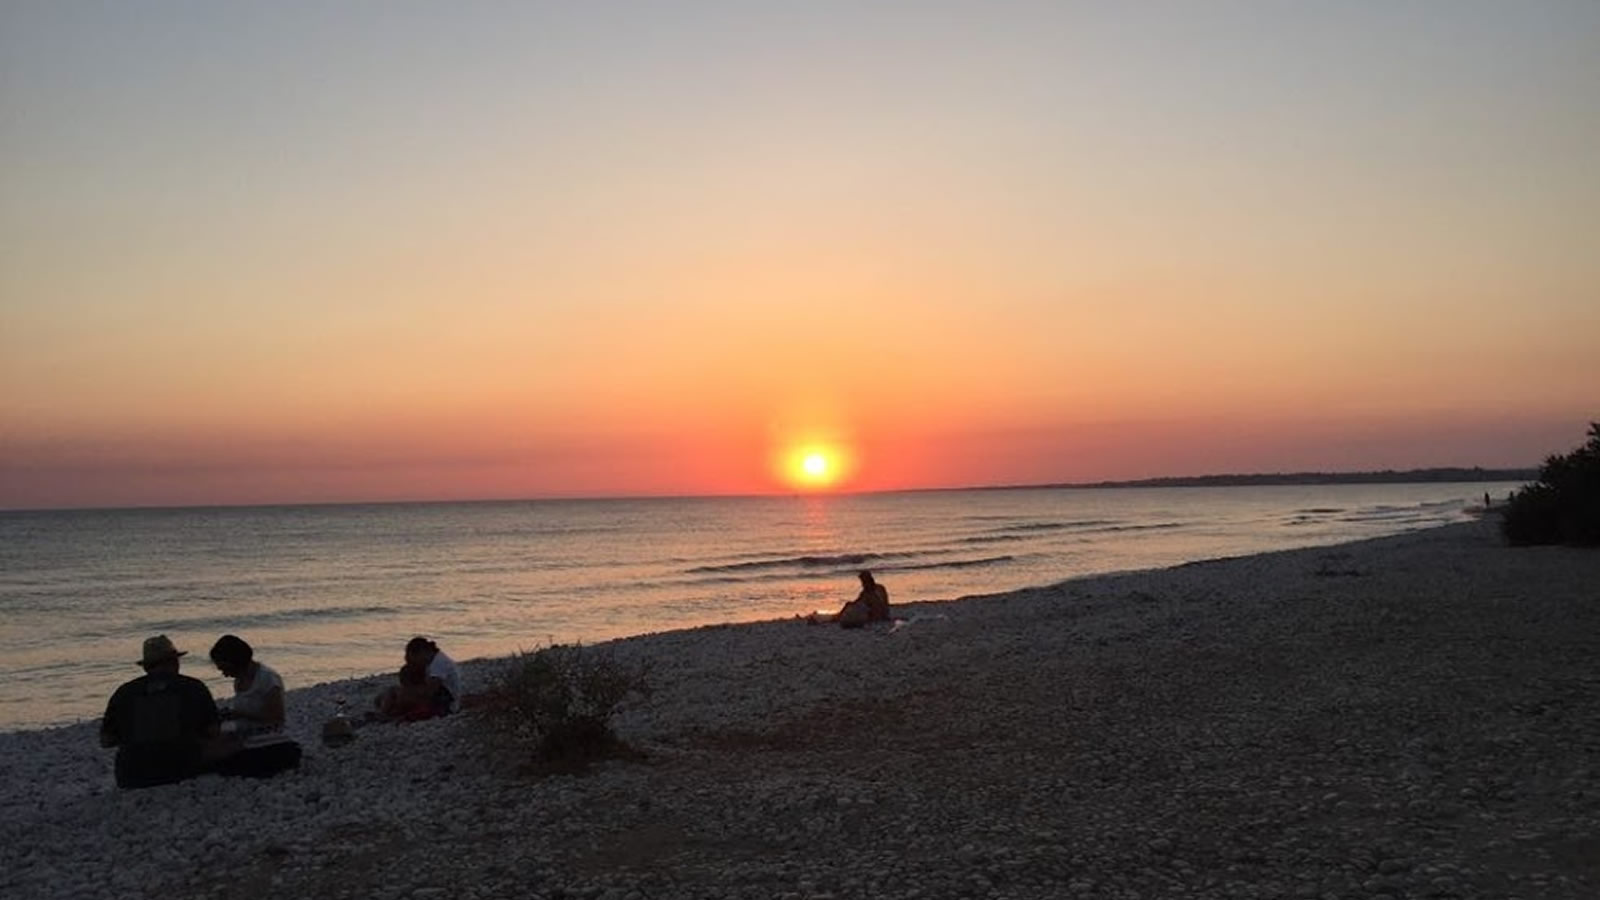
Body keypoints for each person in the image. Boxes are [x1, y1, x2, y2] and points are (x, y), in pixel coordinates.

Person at [99, 635, 220, 789]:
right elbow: (213, 731)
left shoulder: (124, 693)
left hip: (132, 776)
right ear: (174, 662)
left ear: (146, 667)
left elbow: (106, 740)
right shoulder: (193, 687)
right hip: (184, 771)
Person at [207, 634, 301, 778]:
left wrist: (240, 713)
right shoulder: (239, 681)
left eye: (224, 668)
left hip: (270, 741)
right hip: (248, 736)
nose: (224, 674)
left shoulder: (268, 679)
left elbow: (276, 717)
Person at [376, 637, 462, 720]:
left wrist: (410, 691)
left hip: (445, 703)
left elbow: (430, 692)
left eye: (414, 659)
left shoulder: (439, 664)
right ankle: (389, 710)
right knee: (383, 698)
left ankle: (383, 714)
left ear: (421, 653)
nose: (415, 662)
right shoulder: (433, 661)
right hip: (440, 698)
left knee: (394, 693)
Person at [806, 570, 892, 628]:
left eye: (863, 582)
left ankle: (833, 618)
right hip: (882, 614)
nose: (862, 584)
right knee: (849, 607)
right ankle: (834, 617)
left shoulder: (868, 593)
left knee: (848, 609)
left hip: (874, 617)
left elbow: (862, 602)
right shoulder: (880, 588)